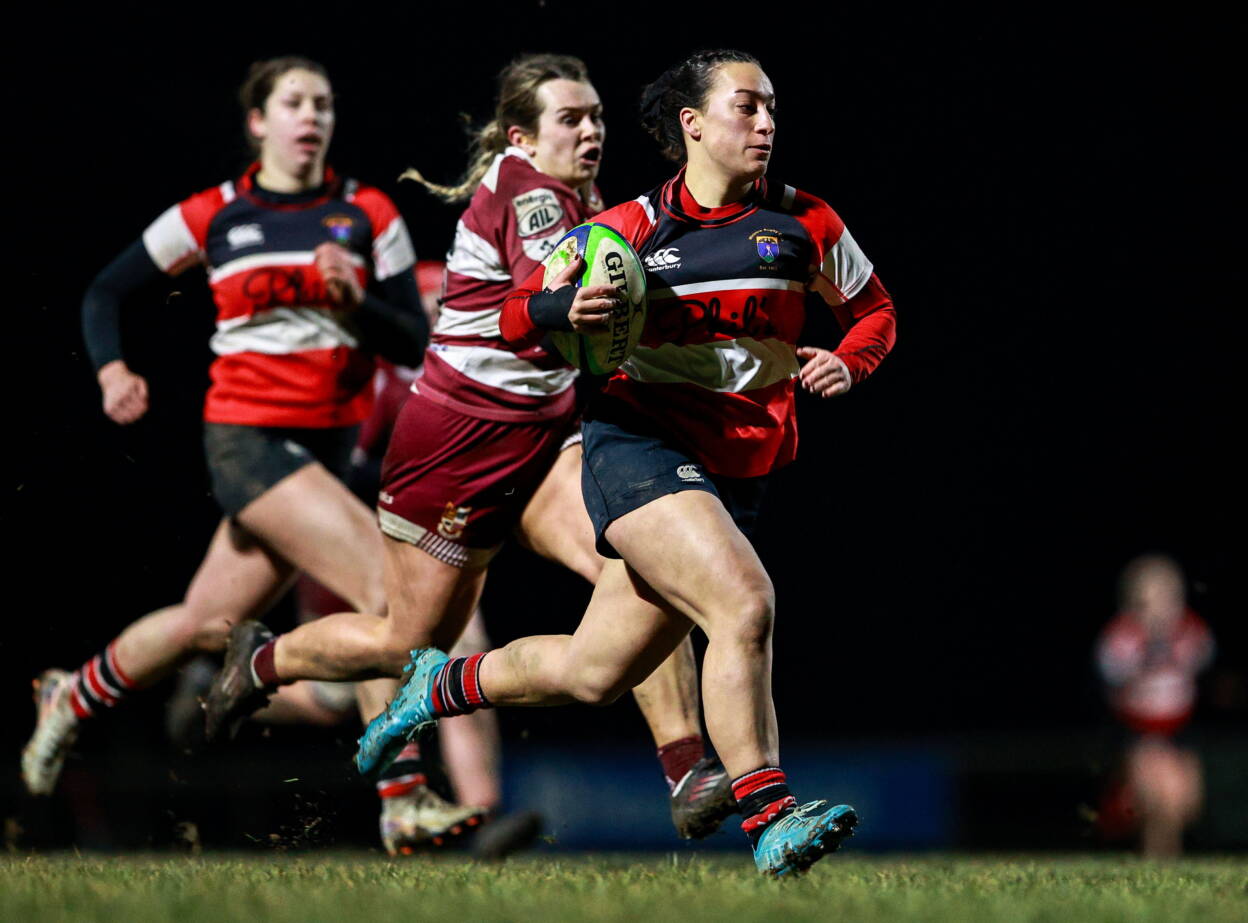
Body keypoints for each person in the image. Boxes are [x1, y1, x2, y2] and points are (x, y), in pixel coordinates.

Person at [357, 48, 897, 877]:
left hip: (739, 470)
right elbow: (511, 314)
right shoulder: (625, 231)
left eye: (773, 109)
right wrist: (557, 304)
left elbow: (875, 312)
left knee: (593, 669)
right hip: (638, 446)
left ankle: (437, 684)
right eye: (746, 108)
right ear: (693, 127)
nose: (766, 124)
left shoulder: (806, 224)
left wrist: (849, 362)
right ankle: (772, 817)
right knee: (744, 602)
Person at [204, 53, 737, 843]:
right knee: (405, 642)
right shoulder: (529, 191)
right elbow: (538, 293)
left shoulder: (581, 194)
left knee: (642, 564)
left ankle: (688, 767)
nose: (590, 130)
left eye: (595, 116)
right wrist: (583, 305)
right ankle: (261, 662)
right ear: (522, 135)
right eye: (570, 118)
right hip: (454, 446)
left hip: (546, 438)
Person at [18, 56, 465, 846]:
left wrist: (352, 301)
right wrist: (112, 368)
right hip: (247, 441)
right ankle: (404, 795)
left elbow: (415, 338)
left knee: (203, 620)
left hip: (323, 455)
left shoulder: (368, 213)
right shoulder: (214, 214)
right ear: (258, 121)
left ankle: (72, 694)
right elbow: (104, 292)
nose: (311, 116)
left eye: (323, 103)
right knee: (384, 590)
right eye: (293, 102)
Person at [1096, 554, 1214, 857]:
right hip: (1139, 729)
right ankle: (1156, 859)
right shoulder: (1121, 637)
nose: (1158, 611)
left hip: (1180, 728)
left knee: (1186, 804)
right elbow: (1112, 677)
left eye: (1167, 599)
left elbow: (1200, 665)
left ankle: (1160, 849)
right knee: (1157, 801)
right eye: (1146, 603)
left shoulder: (1190, 631)